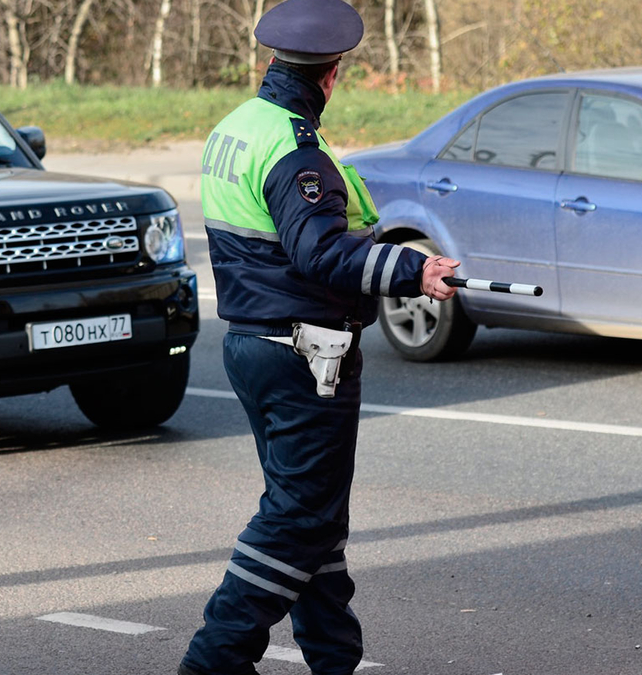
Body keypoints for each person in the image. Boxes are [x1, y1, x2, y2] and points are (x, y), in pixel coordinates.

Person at [178, 0, 460, 673]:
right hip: (303, 352)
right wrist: (412, 269)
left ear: (271, 61)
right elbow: (321, 253)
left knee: (313, 517)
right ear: (331, 76)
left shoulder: (239, 125)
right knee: (297, 520)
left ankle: (335, 660)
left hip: (253, 343)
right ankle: (212, 661)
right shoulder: (296, 148)